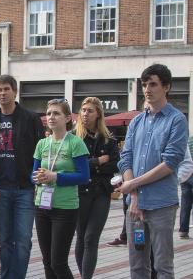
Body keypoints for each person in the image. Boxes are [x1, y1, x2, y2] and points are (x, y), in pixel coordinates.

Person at [116, 64, 187, 279]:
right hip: (136, 205)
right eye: (144, 84)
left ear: (166, 87)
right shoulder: (137, 121)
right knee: (137, 266)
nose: (147, 89)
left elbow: (170, 162)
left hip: (161, 205)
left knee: (163, 265)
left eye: (153, 84)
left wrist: (132, 185)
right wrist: (134, 195)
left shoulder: (177, 120)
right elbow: (125, 158)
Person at [0, 75, 45, 279]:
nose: (2, 93)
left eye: (6, 89)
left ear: (15, 91)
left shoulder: (30, 118)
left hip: (24, 189)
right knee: (4, 241)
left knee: (24, 241)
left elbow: (41, 151)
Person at [31, 99, 89, 279]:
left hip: (65, 208)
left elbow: (84, 176)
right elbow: (33, 173)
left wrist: (55, 176)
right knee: (47, 261)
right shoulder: (42, 144)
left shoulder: (75, 142)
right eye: (49, 113)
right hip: (42, 206)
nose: (51, 117)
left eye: (56, 113)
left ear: (67, 118)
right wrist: (37, 178)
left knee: (58, 262)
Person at [72, 97, 118, 278]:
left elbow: (115, 164)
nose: (85, 114)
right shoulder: (74, 137)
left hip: (101, 192)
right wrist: (98, 161)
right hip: (80, 191)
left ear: (98, 113)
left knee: (91, 238)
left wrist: (88, 165)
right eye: (83, 110)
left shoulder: (108, 139)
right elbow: (72, 165)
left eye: (90, 110)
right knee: (81, 236)